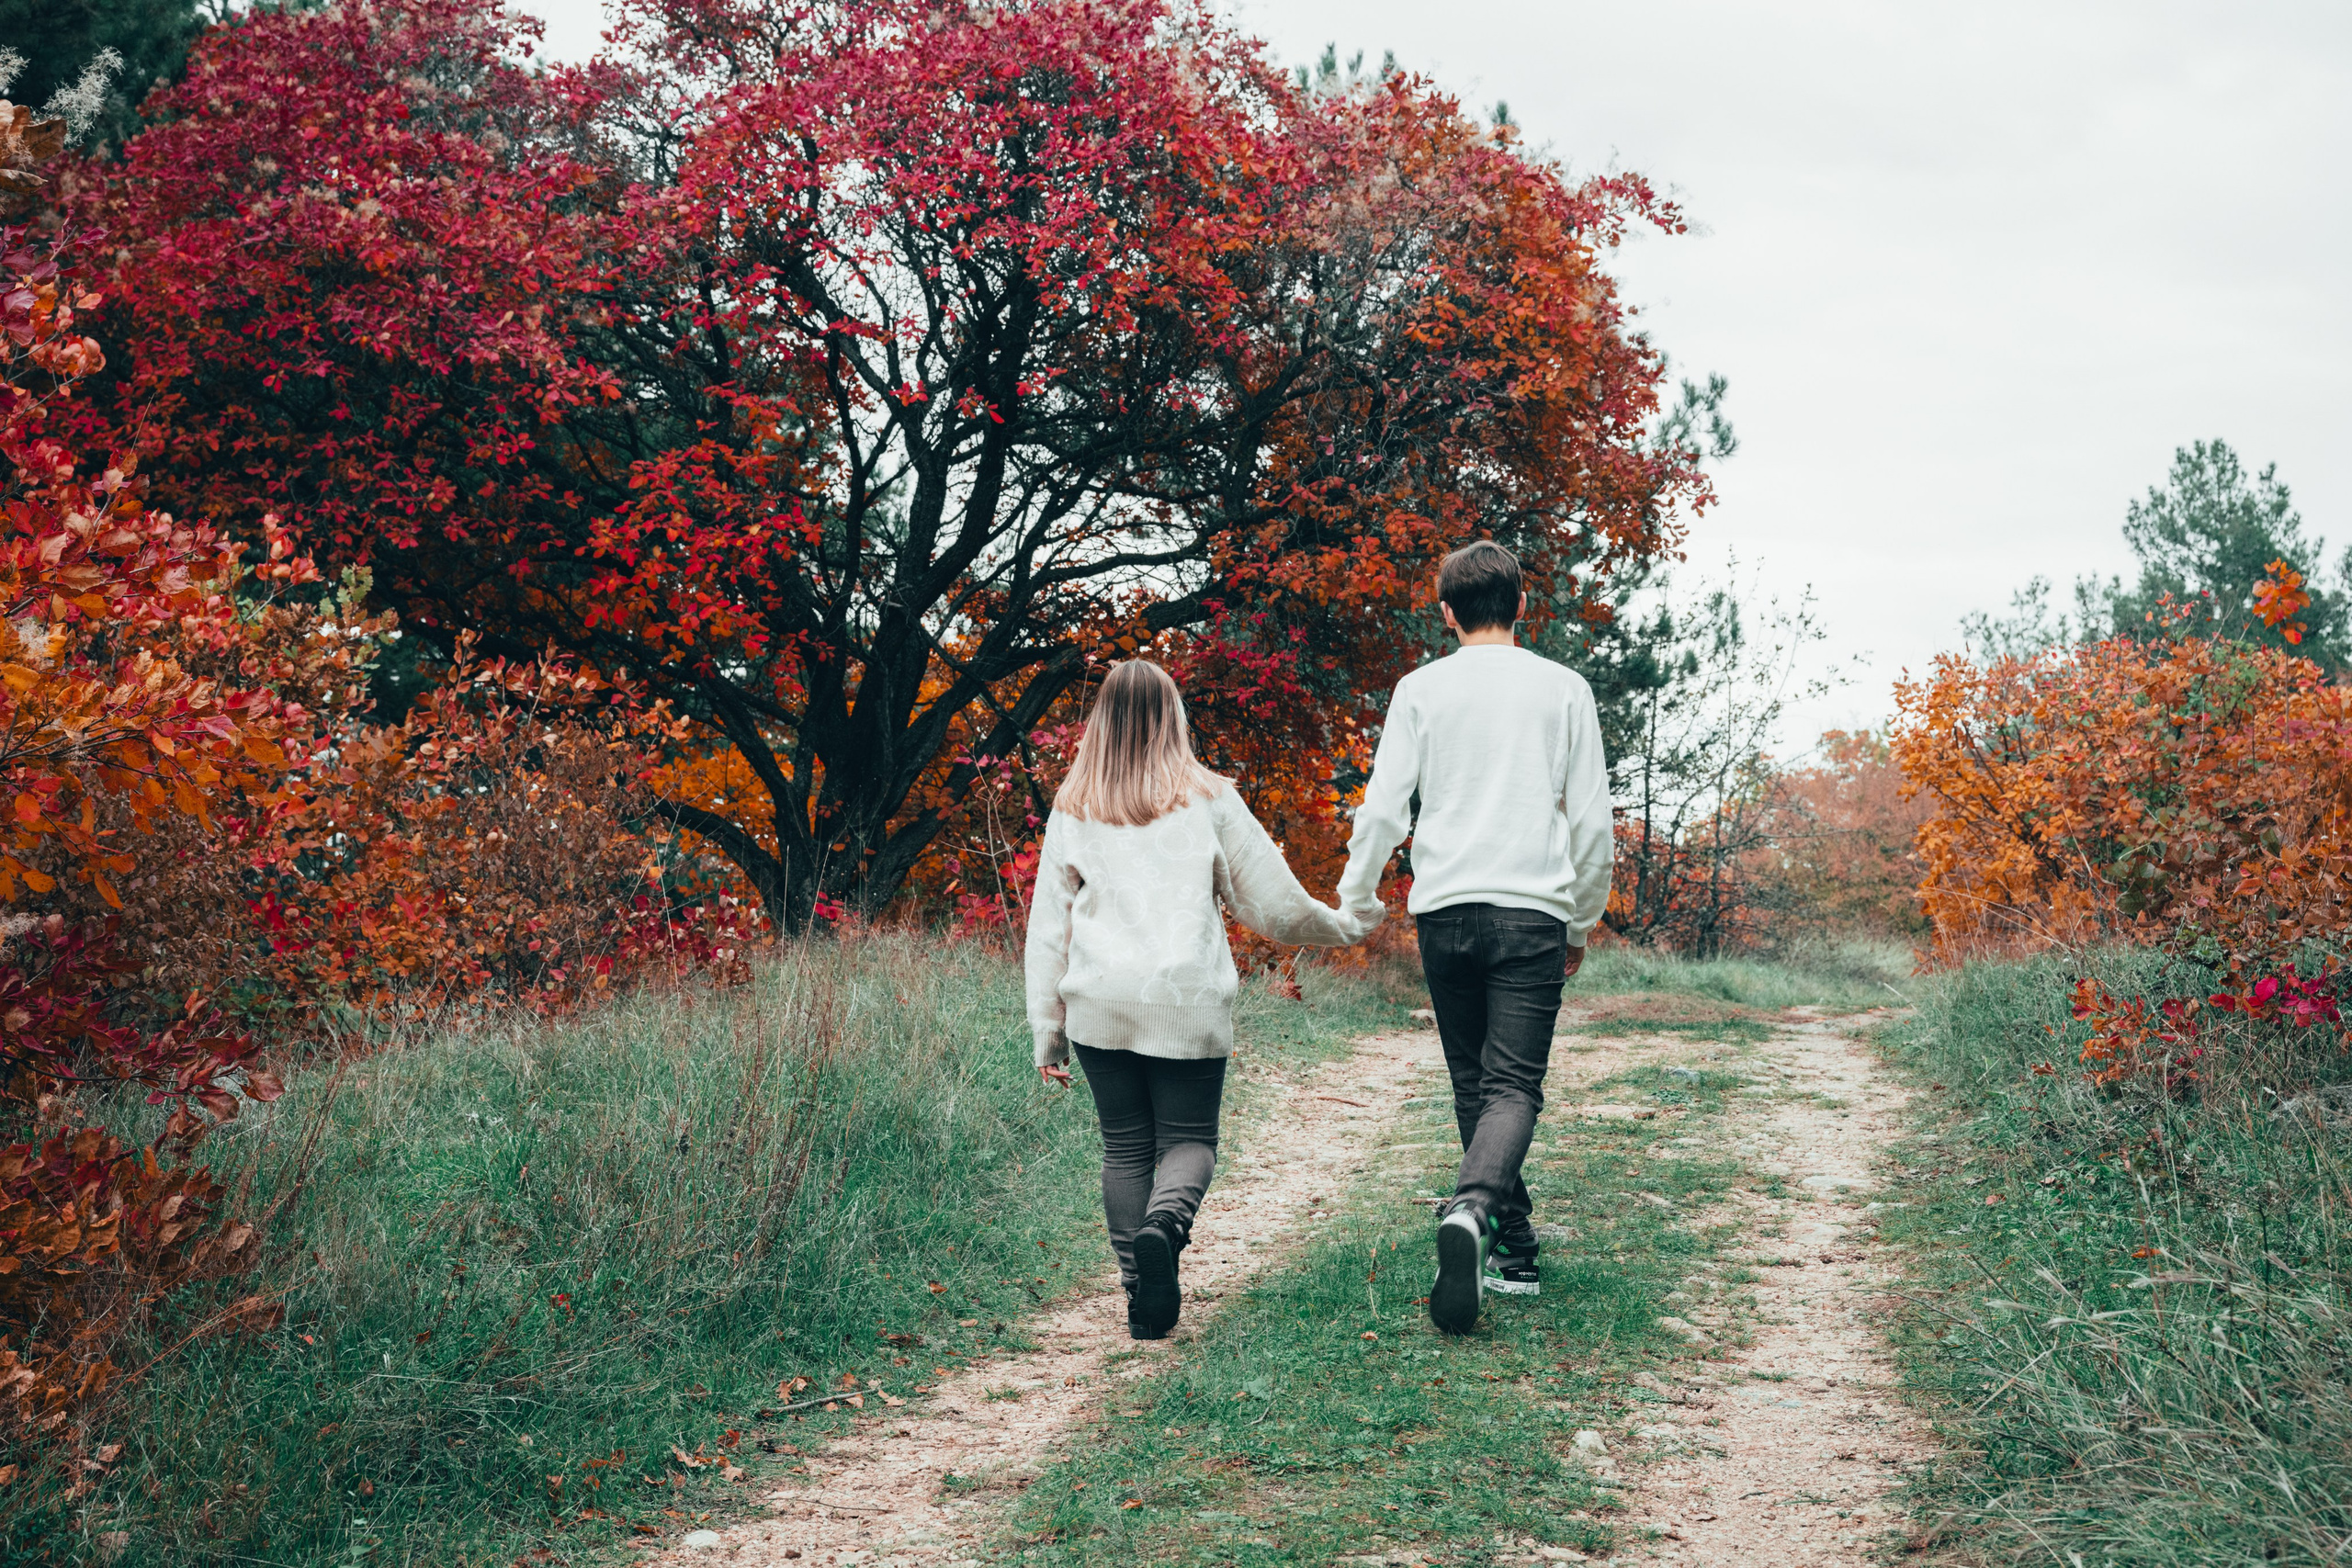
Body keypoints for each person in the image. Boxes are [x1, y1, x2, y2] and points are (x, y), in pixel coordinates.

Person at [1024, 659, 1380, 1340]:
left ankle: (1140, 1294)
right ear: (1173, 717)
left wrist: (1048, 1030)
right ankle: (1166, 1226)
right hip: (1184, 998)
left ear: (1100, 723)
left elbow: (1049, 928)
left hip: (1099, 1001)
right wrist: (1342, 925)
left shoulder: (1075, 805)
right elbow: (1270, 898)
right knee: (1190, 1140)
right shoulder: (1210, 796)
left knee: (1124, 1149)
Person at [1336, 540, 1613, 1335]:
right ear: (1521, 606)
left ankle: (1512, 1248)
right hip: (1531, 910)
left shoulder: (1419, 690)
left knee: (1474, 1082)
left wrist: (1359, 899)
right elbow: (1592, 824)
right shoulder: (1565, 690)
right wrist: (1581, 920)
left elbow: (1383, 809)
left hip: (1445, 909)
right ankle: (1477, 1213)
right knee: (1513, 1086)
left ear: (1448, 612)